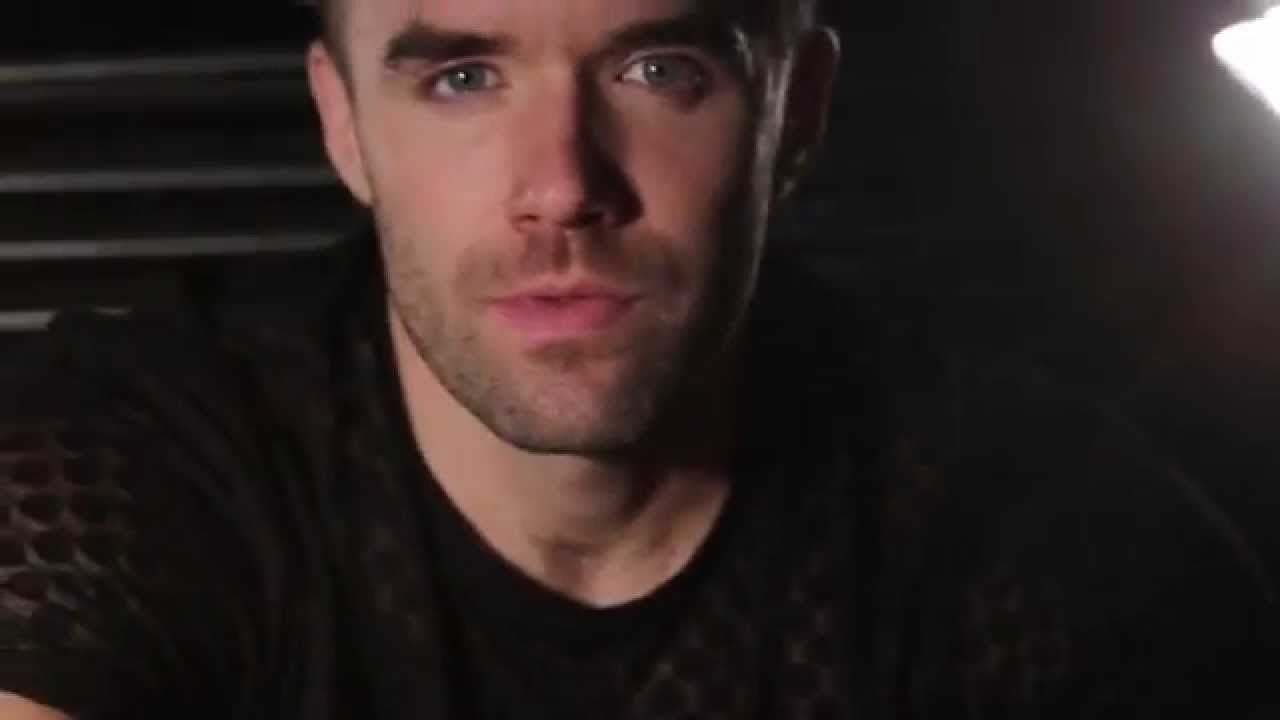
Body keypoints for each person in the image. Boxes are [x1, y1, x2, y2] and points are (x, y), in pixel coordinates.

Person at [0, 0, 1275, 717]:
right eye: (461, 78)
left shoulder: (1044, 531)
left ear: (796, 114)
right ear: (342, 122)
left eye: (660, 69)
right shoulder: (130, 464)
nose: (561, 186)